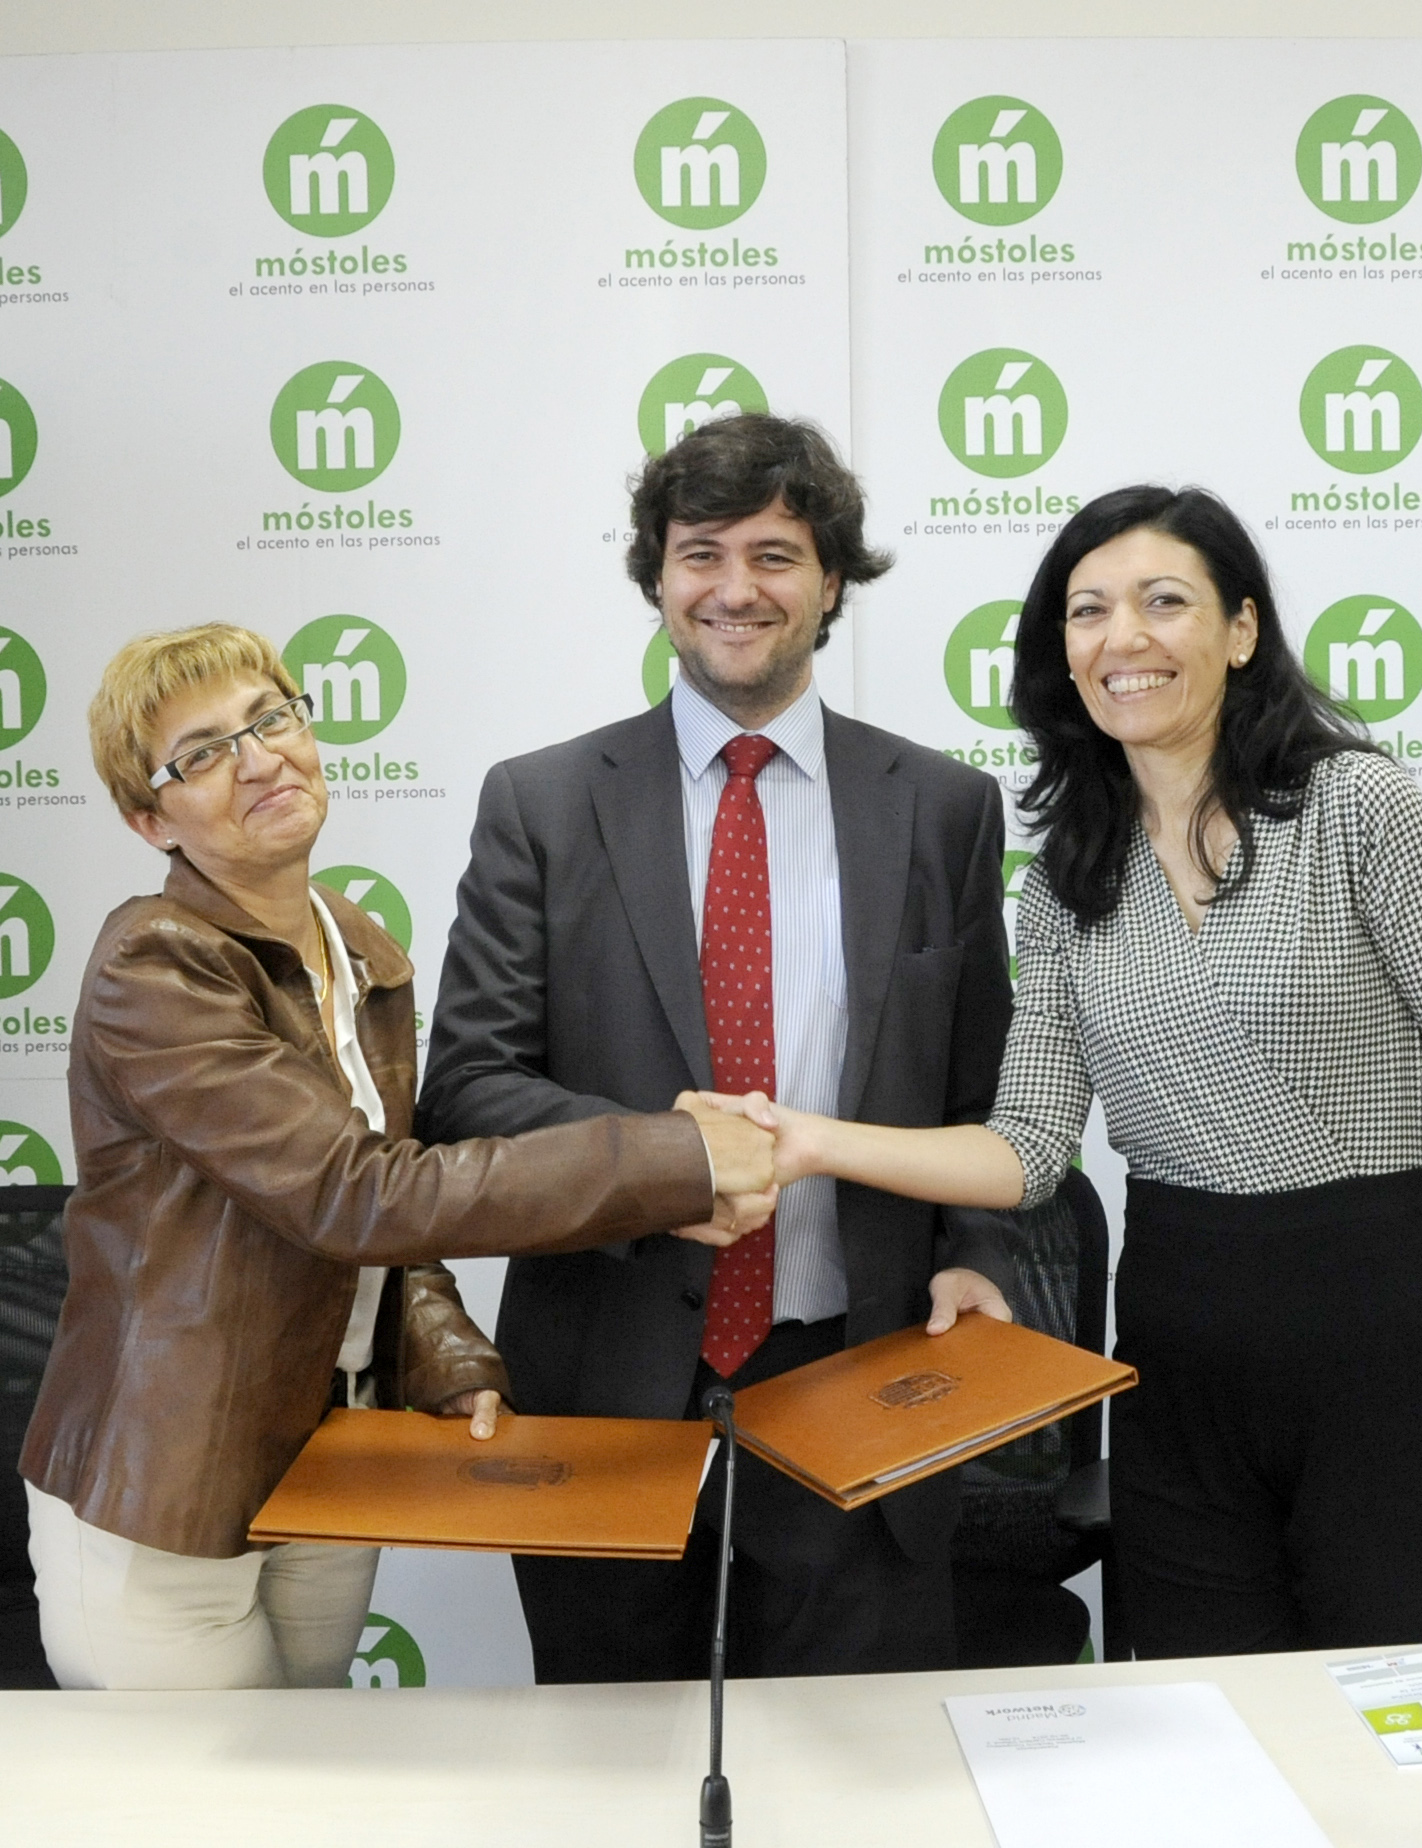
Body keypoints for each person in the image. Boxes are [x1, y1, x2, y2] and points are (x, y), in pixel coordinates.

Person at [723, 485, 1422, 1657]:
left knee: (1394, 1718)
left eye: (1163, 601)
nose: (1122, 637)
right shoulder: (1067, 879)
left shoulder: (1356, 808)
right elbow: (1026, 1152)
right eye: (1088, 611)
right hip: (1176, 1357)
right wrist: (810, 1141)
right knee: (1202, 1724)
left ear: (1241, 630)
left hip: (1380, 1340)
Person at [19, 622, 776, 1691]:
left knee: (319, 1769)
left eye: (270, 719)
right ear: (152, 820)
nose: (259, 760)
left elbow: (381, 1221)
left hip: (329, 1447)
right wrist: (674, 1158)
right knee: (206, 1787)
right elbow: (358, 1195)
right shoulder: (157, 965)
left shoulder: (354, 943)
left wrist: (444, 1355)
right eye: (204, 754)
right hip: (168, 1481)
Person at [417, 414, 1017, 1682]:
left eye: (775, 554)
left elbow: (988, 1090)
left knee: (854, 1764)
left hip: (861, 1375)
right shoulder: (542, 804)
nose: (735, 589)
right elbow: (465, 1088)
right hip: (607, 1381)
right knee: (612, 1762)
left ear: (832, 582)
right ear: (657, 579)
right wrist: (665, 1163)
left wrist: (977, 1252)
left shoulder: (942, 809)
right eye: (701, 553)